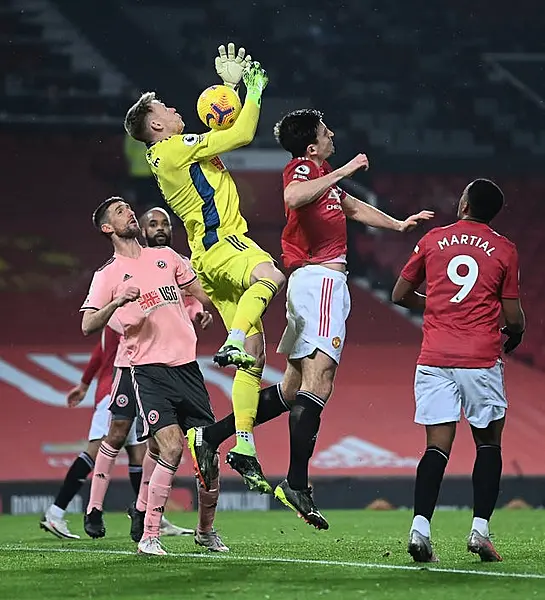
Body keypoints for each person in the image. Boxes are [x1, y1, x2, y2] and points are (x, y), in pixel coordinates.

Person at [190, 109, 433, 529]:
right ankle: (297, 482)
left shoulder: (322, 178)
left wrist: (397, 224)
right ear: (312, 145)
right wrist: (346, 169)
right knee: (319, 384)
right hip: (319, 282)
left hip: (315, 285)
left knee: (290, 390)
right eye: (326, 130)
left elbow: (351, 207)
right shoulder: (302, 169)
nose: (332, 132)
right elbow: (293, 198)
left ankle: (210, 437)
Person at [123, 46, 285, 493]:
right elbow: (242, 134)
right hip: (224, 243)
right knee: (272, 276)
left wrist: (230, 89)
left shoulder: (173, 154)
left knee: (254, 359)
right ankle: (231, 341)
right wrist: (253, 88)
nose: (177, 111)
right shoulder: (173, 149)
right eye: (167, 109)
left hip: (206, 257)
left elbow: (217, 130)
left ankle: (246, 444)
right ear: (155, 124)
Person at [81, 196, 227, 555]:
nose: (129, 213)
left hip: (188, 368)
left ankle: (205, 531)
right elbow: (88, 324)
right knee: (172, 447)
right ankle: (149, 534)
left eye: (129, 209)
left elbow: (199, 296)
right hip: (147, 370)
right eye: (120, 212)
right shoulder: (108, 276)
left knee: (207, 453)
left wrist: (199, 312)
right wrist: (117, 302)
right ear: (107, 228)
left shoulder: (168, 258)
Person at [391, 179, 525, 563]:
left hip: (434, 358)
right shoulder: (504, 249)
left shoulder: (433, 240)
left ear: (464, 202)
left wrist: (436, 308)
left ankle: (420, 529)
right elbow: (513, 317)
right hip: (480, 359)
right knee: (488, 444)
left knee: (436, 447)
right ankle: (480, 532)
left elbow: (399, 295)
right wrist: (516, 330)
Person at [40, 325, 144, 540]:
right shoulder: (125, 313)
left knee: (138, 455)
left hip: (124, 390)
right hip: (116, 392)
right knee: (95, 452)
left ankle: (152, 517)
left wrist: (84, 385)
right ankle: (55, 512)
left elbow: (100, 351)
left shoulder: (112, 319)